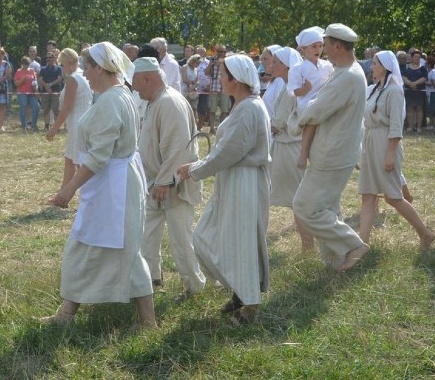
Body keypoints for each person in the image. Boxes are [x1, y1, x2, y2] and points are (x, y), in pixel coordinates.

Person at [43, 42, 156, 329]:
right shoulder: (120, 95)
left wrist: (68, 190)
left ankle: (147, 321)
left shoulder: (111, 101)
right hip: (116, 183)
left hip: (113, 187)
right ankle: (70, 313)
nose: (86, 75)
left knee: (94, 247)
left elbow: (99, 156)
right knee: (111, 248)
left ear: (99, 68)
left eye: (88, 67)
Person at [177, 54, 271, 325]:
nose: (220, 80)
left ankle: (249, 304)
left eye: (224, 75)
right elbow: (226, 151)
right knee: (212, 236)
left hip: (245, 183)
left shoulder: (250, 108)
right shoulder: (244, 106)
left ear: (236, 79)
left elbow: (228, 152)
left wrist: (194, 170)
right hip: (234, 180)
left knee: (241, 241)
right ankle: (241, 292)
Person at [292, 23, 370, 272]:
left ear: (337, 45)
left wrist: (296, 121)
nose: (323, 50)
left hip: (332, 154)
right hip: (336, 152)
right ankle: (334, 262)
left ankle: (354, 244)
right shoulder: (348, 71)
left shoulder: (348, 76)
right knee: (328, 209)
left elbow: (314, 109)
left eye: (325, 44)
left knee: (305, 208)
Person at [133, 57, 206, 299]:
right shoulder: (155, 102)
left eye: (136, 83)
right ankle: (151, 281)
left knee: (181, 241)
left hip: (174, 184)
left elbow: (177, 148)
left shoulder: (170, 102)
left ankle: (194, 287)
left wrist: (165, 180)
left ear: (147, 78)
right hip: (155, 184)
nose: (134, 88)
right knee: (145, 236)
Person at [357, 51, 435, 249]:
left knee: (393, 197)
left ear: (385, 67)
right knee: (367, 195)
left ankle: (425, 233)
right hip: (370, 141)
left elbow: (395, 126)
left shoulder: (394, 91)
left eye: (375, 63)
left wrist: (391, 153)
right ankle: (361, 244)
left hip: (385, 143)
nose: (371, 66)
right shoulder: (374, 89)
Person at [269, 47, 314, 250]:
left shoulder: (290, 91)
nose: (272, 65)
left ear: (287, 66)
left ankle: (308, 245)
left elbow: (278, 122)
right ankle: (307, 245)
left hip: (289, 147)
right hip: (286, 146)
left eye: (276, 62)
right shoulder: (288, 86)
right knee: (295, 199)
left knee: (298, 200)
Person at [47, 48, 93, 191]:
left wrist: (54, 129)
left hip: (78, 123)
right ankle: (63, 194)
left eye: (62, 64)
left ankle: (88, 196)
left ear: (68, 62)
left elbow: (66, 108)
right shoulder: (82, 75)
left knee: (80, 163)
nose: (62, 68)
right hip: (80, 122)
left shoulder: (74, 79)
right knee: (70, 158)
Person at [289, 27, 333, 113]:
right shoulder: (297, 68)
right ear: (303, 48)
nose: (318, 49)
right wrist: (305, 89)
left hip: (326, 105)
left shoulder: (327, 65)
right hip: (307, 108)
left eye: (320, 46)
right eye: (314, 46)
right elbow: (296, 92)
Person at [204, 44, 230, 131]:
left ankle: (222, 128)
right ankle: (212, 128)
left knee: (225, 110)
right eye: (219, 51)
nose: (221, 53)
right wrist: (211, 64)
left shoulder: (228, 61)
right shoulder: (212, 60)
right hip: (214, 89)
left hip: (225, 89)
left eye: (223, 51)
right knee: (212, 109)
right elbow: (206, 72)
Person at [402, 48, 428, 133]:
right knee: (409, 109)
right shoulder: (406, 67)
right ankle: (410, 127)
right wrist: (410, 83)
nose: (417, 58)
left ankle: (419, 127)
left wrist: (414, 83)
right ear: (412, 58)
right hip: (409, 92)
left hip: (420, 92)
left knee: (419, 109)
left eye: (419, 57)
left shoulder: (423, 68)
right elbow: (403, 77)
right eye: (416, 57)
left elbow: (424, 78)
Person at [38, 51, 64, 130]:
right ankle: (46, 126)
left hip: (55, 92)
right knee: (46, 110)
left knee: (56, 110)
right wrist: (46, 86)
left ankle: (56, 127)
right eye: (47, 58)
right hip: (45, 92)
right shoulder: (42, 69)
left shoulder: (58, 68)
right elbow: (40, 79)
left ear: (54, 58)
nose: (48, 59)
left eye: (50, 57)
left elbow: (59, 79)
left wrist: (50, 85)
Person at [14, 56, 39, 132]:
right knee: (23, 108)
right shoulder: (18, 71)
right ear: (22, 64)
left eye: (27, 64)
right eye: (24, 64)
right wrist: (23, 79)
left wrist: (35, 87)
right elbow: (16, 83)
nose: (26, 66)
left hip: (31, 93)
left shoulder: (32, 71)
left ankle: (33, 126)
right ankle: (24, 127)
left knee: (36, 107)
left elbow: (35, 81)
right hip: (22, 93)